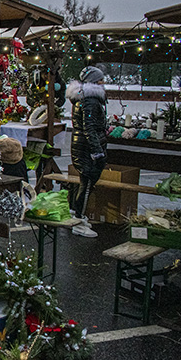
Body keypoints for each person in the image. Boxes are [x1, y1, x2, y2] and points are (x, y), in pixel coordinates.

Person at [67, 66, 107, 238]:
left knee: (85, 182)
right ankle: (79, 219)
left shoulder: (83, 98)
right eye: (101, 80)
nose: (103, 83)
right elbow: (89, 127)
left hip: (82, 144)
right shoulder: (90, 100)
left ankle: (77, 215)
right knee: (88, 182)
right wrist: (97, 151)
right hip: (86, 147)